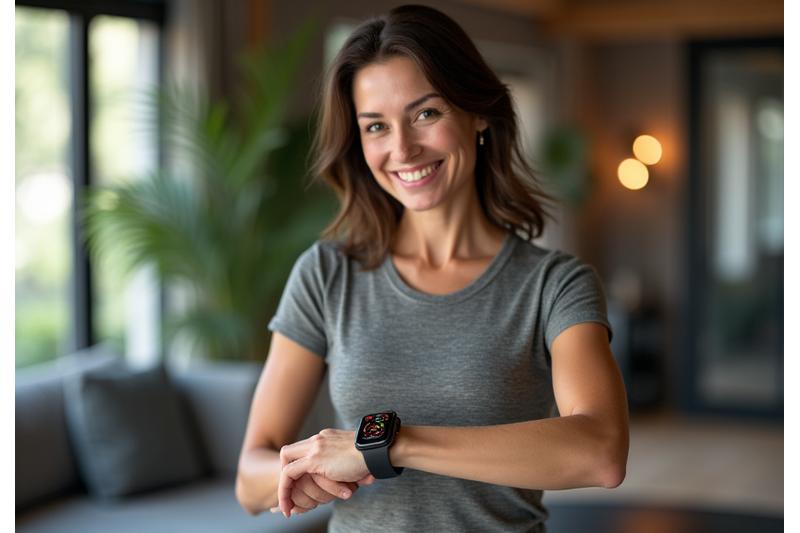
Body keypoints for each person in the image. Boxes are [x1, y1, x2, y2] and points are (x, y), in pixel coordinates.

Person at [236, 5, 629, 532]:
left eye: (426, 113)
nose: (402, 149)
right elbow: (249, 478)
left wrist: (386, 446)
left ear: (479, 113)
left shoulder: (554, 286)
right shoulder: (327, 274)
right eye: (376, 126)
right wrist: (307, 470)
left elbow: (600, 452)